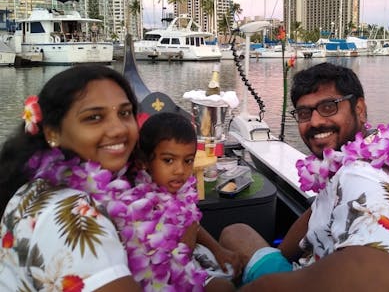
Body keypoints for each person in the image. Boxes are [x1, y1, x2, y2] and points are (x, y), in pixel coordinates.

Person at [219, 62, 389, 291]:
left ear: (359, 110)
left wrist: (265, 285)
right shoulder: (371, 158)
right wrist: (282, 255)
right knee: (235, 232)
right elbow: (310, 221)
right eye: (304, 112)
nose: (315, 121)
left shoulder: (362, 177)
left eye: (329, 107)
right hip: (311, 267)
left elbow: (377, 279)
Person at [0, 65, 142, 291]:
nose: (118, 129)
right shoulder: (76, 217)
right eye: (94, 117)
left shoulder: (32, 187)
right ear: (52, 133)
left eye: (124, 113)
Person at [124, 112, 241, 291]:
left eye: (188, 161)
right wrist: (188, 240)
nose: (180, 170)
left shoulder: (180, 191)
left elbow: (192, 224)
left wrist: (218, 250)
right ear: (144, 161)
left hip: (189, 264)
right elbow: (166, 267)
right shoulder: (139, 208)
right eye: (168, 160)